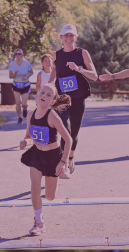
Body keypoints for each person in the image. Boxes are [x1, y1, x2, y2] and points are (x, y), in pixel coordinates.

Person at [18, 84, 74, 236]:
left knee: (50, 196)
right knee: (35, 187)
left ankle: (61, 173)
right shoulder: (30, 115)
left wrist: (63, 162)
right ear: (37, 95)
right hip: (36, 154)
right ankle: (39, 222)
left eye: (49, 95)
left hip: (53, 157)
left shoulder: (52, 116)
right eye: (42, 92)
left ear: (52, 102)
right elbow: (29, 136)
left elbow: (68, 139)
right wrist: (25, 141)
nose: (44, 95)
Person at [50, 24, 99, 179]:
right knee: (64, 130)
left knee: (73, 133)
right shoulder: (56, 55)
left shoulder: (82, 53)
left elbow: (94, 76)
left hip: (78, 98)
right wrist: (46, 88)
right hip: (62, 99)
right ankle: (63, 165)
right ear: (61, 37)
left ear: (76, 37)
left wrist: (79, 69)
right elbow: (53, 75)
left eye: (72, 35)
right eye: (66, 35)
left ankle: (70, 156)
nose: (69, 38)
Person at [8, 49, 33, 124]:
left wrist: (26, 76)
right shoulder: (12, 64)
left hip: (25, 85)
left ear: (22, 55)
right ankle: (19, 117)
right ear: (14, 55)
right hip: (16, 85)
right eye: (16, 54)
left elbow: (31, 72)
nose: (17, 55)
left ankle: (25, 109)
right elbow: (10, 76)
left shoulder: (26, 63)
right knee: (18, 102)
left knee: (24, 104)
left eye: (19, 54)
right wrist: (14, 73)